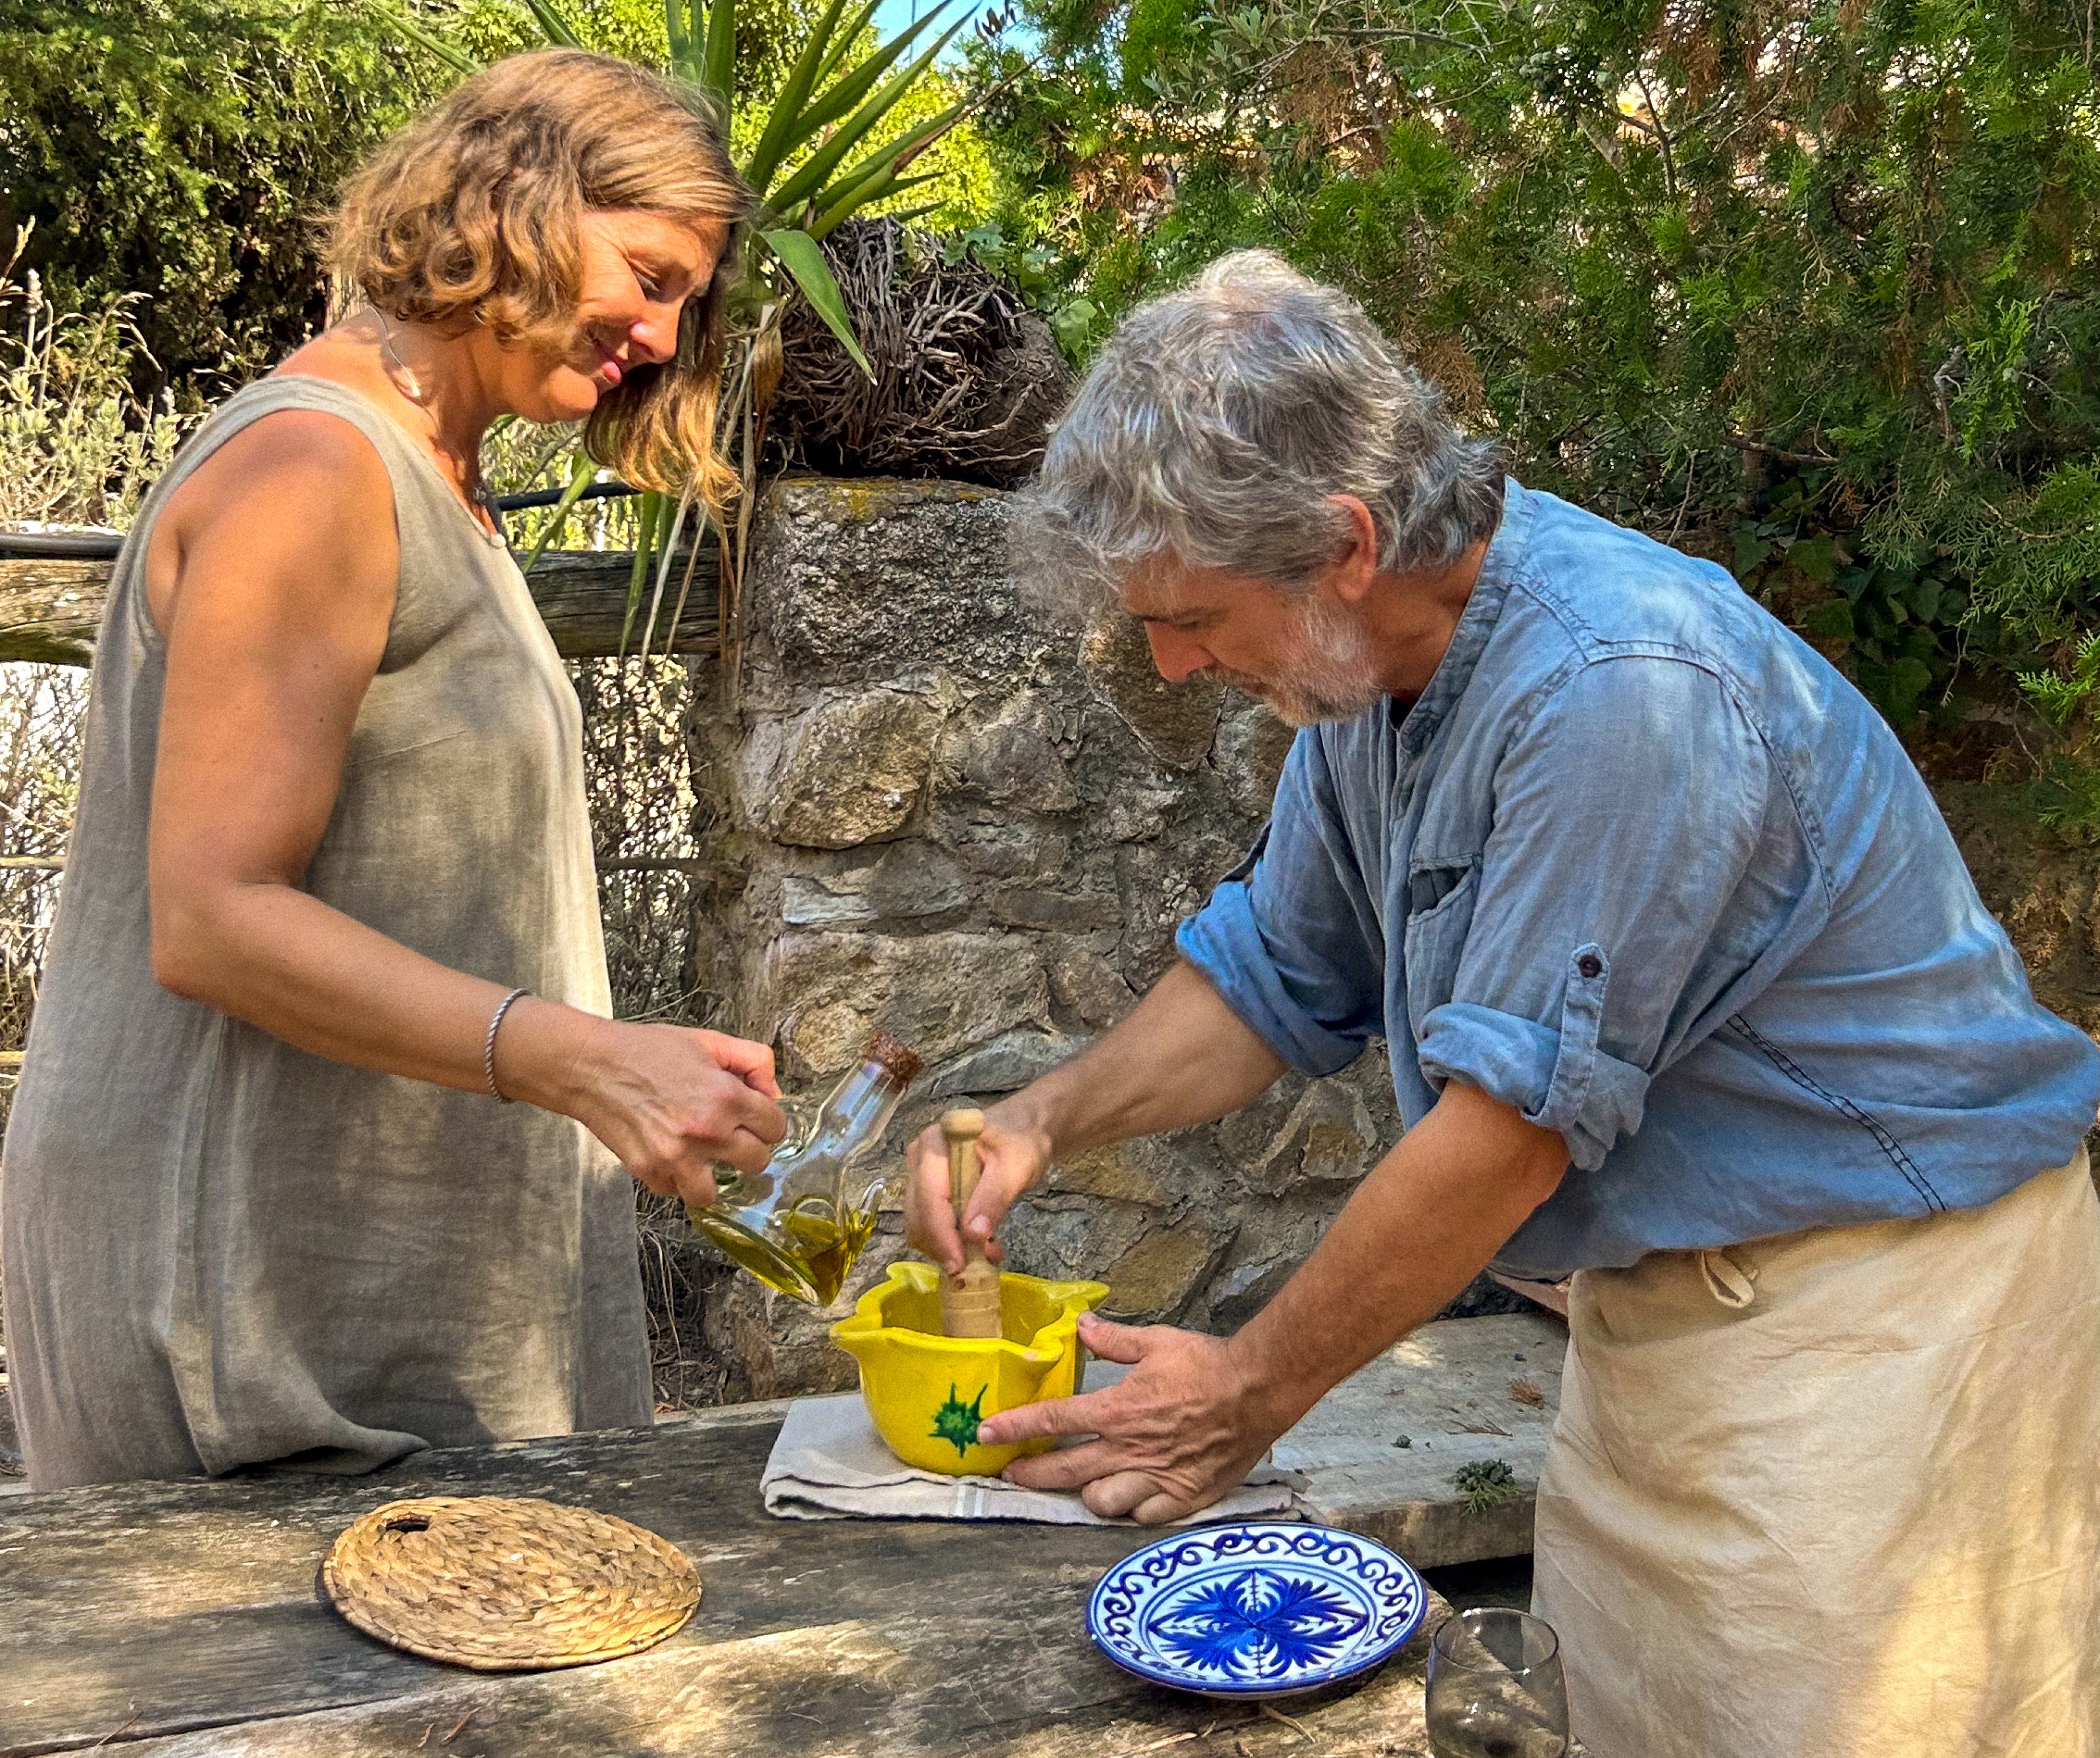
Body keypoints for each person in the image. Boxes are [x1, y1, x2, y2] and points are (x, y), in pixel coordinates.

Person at [904, 250, 2100, 1756]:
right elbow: (1271, 979)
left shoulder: (1620, 682)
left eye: (1191, 613)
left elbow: (1505, 1135)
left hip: (1882, 1330)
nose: (1168, 659)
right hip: (1668, 1331)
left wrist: (1251, 1385)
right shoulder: (1359, 683)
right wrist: (1035, 1119)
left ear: (1340, 542)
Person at [0, 50, 788, 1492]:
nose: (666, 341)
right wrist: (591, 1062)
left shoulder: (437, 477)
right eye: (651, 273)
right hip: (242, 1313)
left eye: (688, 301)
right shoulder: (316, 470)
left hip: (343, 1283)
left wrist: (625, 1054)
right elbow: (215, 914)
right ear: (518, 202)